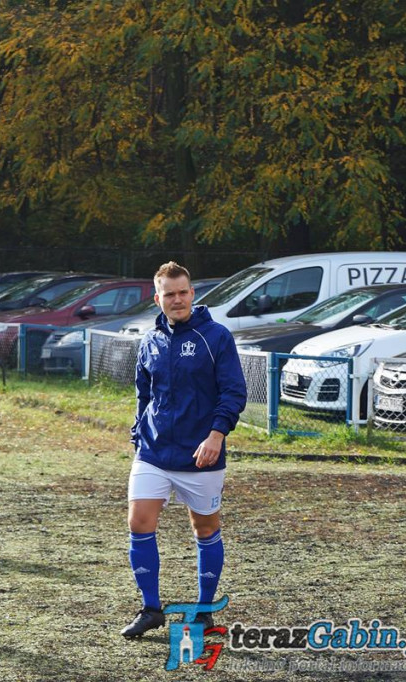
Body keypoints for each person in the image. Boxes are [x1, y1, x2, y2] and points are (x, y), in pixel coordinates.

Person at [121, 261, 247, 638]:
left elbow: (234, 392)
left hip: (201, 454)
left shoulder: (216, 337)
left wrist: (216, 435)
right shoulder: (150, 340)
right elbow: (145, 394)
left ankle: (205, 611)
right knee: (138, 522)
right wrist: (138, 431)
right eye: (169, 294)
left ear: (192, 294)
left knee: (205, 527)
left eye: (182, 292)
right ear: (157, 298)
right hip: (154, 451)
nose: (177, 300)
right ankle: (151, 608)